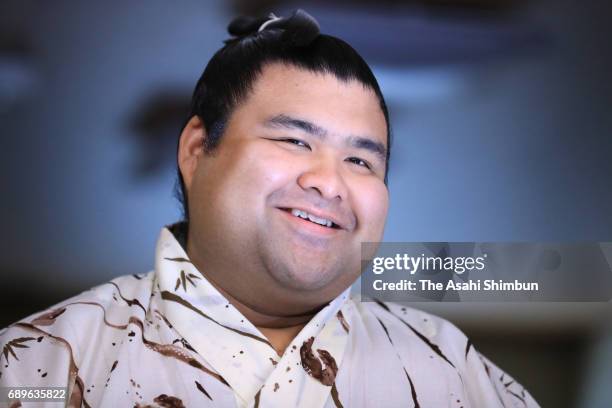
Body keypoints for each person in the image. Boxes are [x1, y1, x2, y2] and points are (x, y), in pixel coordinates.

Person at [0, 10, 539, 408]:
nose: (330, 183)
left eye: (361, 160)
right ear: (196, 149)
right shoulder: (37, 364)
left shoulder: (451, 371)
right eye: (295, 141)